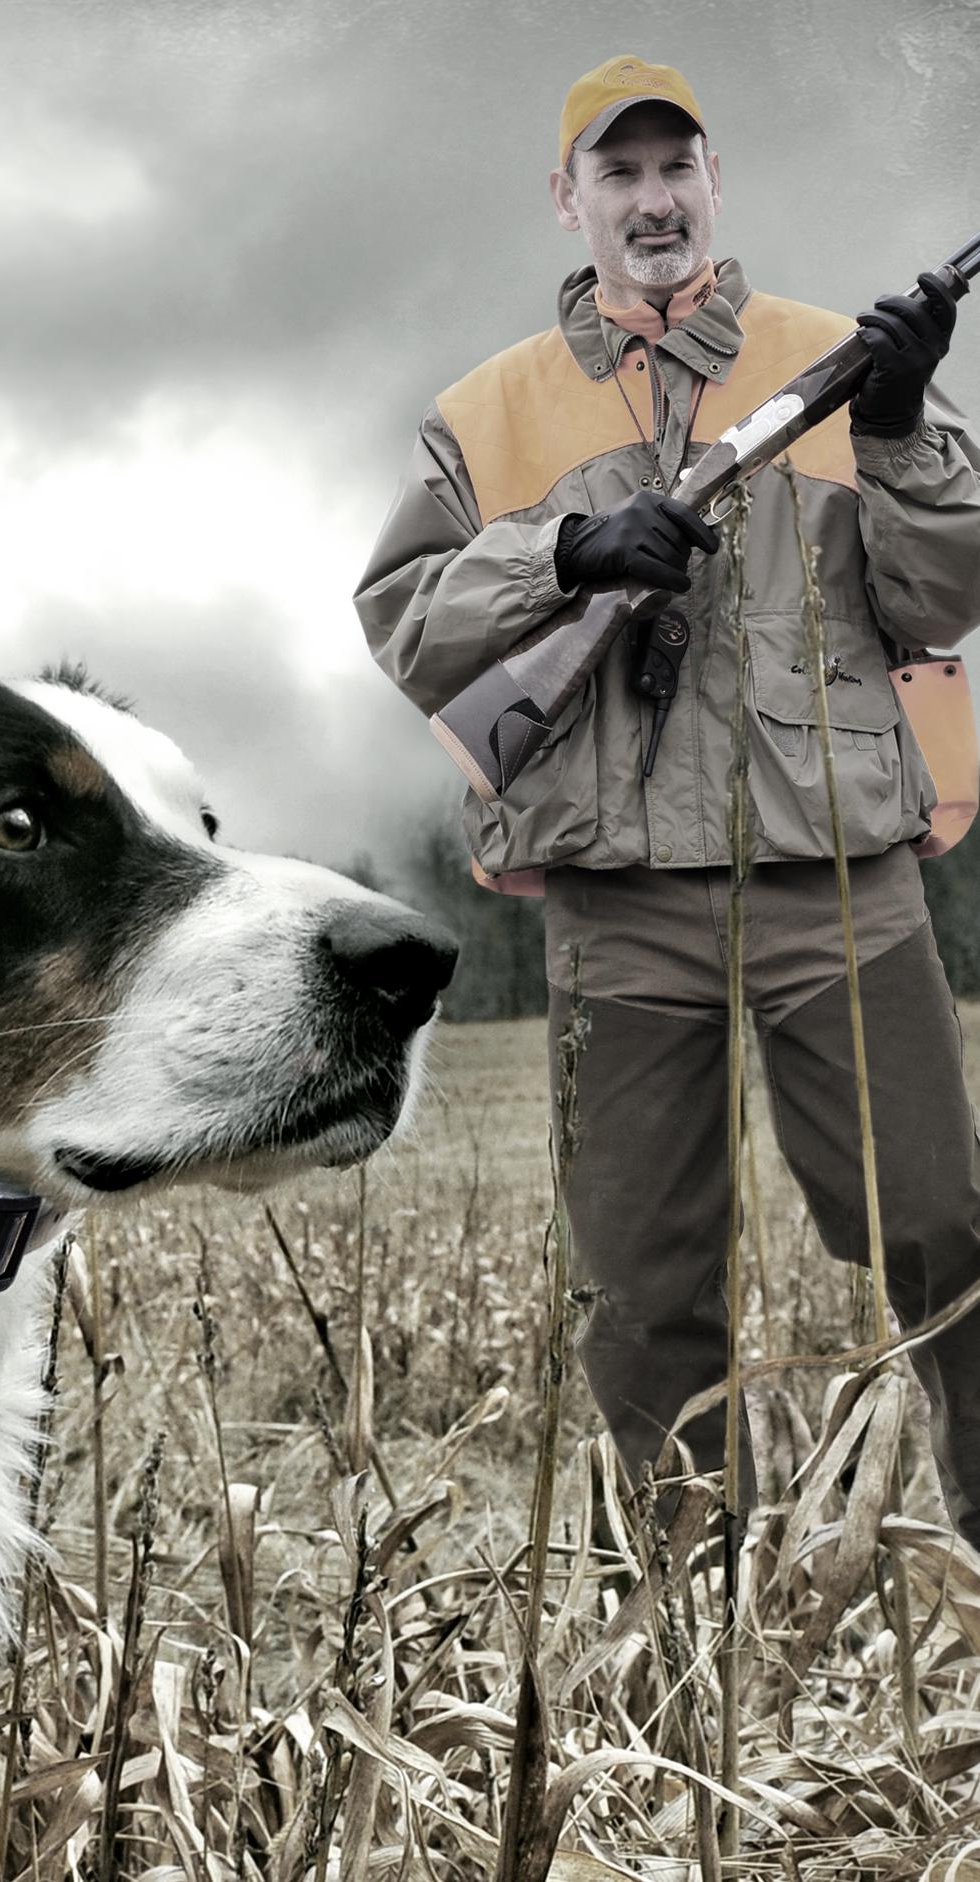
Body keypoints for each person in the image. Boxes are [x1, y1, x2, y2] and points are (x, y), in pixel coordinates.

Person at [354, 55, 980, 1545]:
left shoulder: (842, 357)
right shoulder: (493, 412)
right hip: (620, 905)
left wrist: (898, 428)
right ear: (566, 200)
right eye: (616, 173)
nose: (651, 199)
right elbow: (402, 621)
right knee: (644, 1292)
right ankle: (686, 1632)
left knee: (948, 1234)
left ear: (717, 183)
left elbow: (946, 590)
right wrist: (563, 554)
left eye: (674, 166)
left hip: (837, 878)